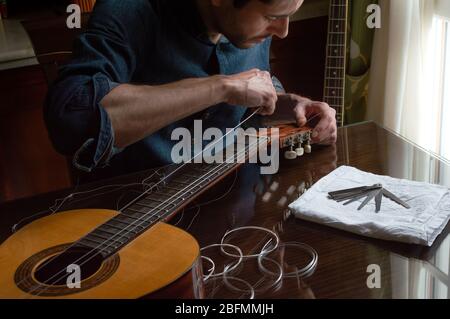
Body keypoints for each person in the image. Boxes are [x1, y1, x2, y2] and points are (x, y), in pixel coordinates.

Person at [45, 0, 337, 180]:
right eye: (273, 16)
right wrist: (219, 87)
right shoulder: (131, 10)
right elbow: (70, 119)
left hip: (234, 201)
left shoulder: (251, 26)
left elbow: (247, 103)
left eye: (289, 14)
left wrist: (293, 105)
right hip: (141, 213)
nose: (283, 30)